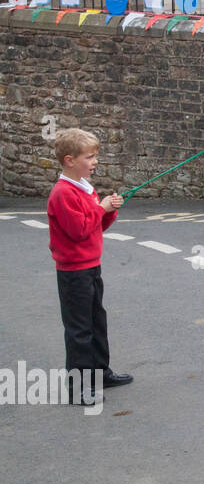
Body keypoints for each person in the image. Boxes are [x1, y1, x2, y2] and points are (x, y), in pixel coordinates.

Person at [47, 128, 127, 405]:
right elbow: (78, 230)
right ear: (70, 160)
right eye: (89, 157)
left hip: (91, 267)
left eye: (95, 157)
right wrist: (100, 208)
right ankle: (78, 387)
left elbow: (96, 227)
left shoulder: (85, 188)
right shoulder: (63, 193)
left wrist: (110, 209)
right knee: (79, 329)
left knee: (96, 321)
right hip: (73, 272)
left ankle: (101, 372)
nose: (94, 162)